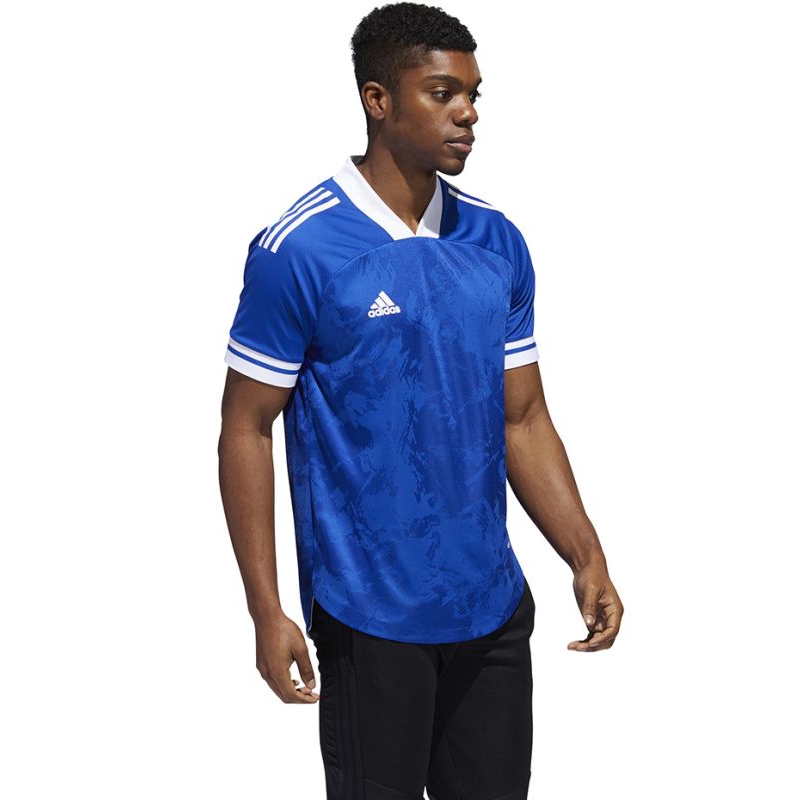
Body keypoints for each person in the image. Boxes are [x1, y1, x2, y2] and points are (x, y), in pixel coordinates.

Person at [217, 3, 624, 798]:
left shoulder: (497, 241)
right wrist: (266, 610)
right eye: (443, 93)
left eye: (473, 94)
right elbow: (246, 428)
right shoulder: (299, 249)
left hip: (491, 609)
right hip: (369, 616)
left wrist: (585, 554)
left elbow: (523, 418)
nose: (467, 112)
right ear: (378, 100)